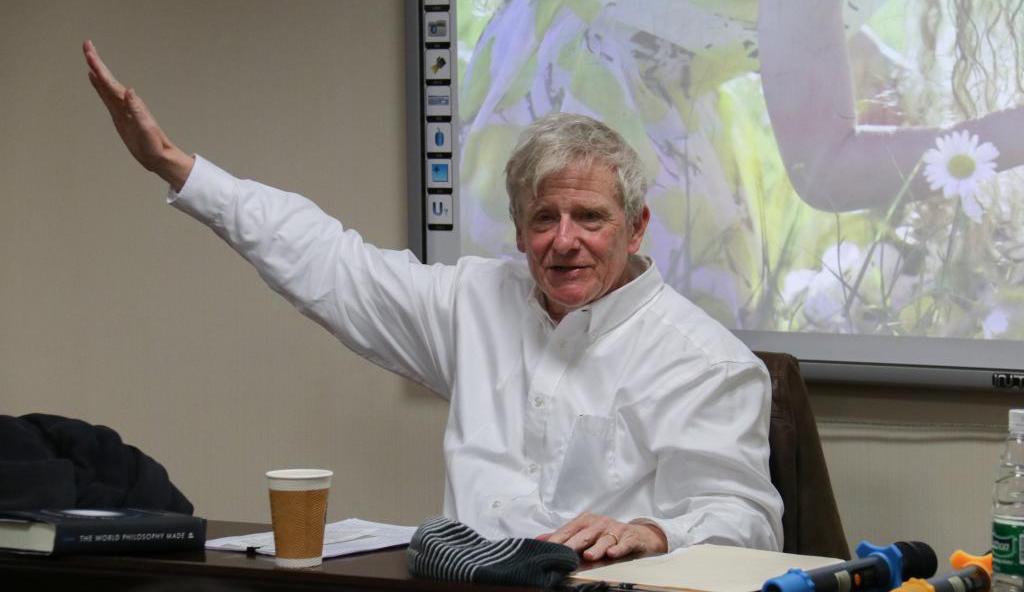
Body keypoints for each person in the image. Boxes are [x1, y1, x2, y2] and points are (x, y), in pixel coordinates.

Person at [84, 40, 783, 560]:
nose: (564, 241)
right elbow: (330, 262)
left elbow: (748, 525)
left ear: (636, 227)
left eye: (590, 218)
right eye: (544, 218)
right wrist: (178, 167)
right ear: (518, 230)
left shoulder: (707, 362)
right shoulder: (474, 301)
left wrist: (653, 532)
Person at [458, 0, 1024, 336]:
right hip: (602, 124)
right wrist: (1008, 136)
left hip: (551, 87)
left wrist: (883, 73)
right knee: (646, 376)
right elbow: (824, 168)